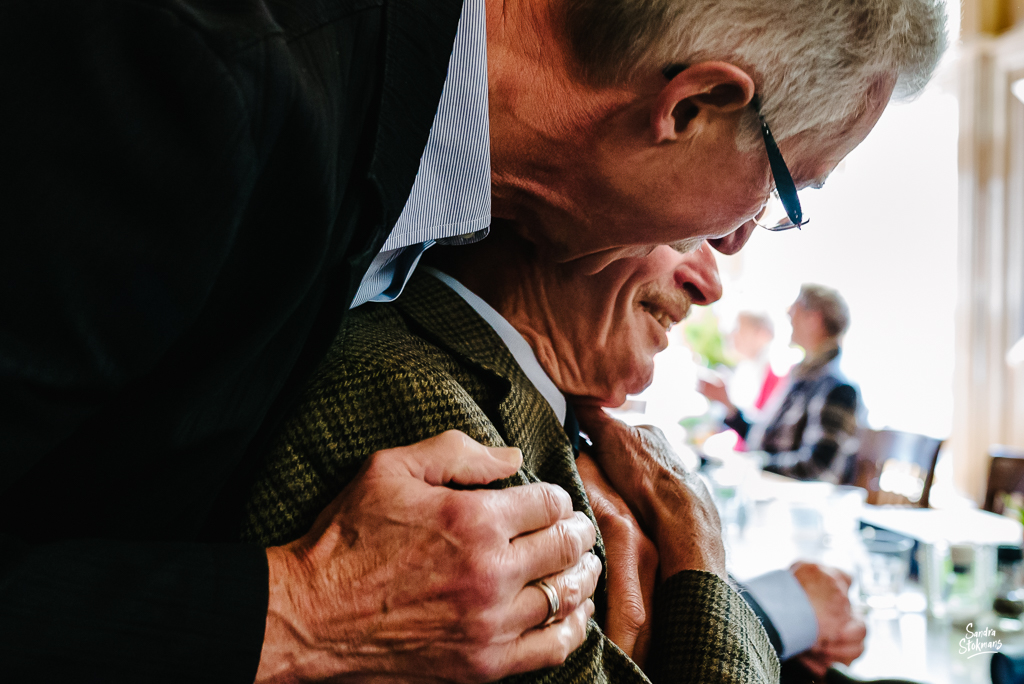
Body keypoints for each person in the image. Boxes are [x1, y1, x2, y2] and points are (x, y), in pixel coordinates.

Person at [1, 0, 944, 679]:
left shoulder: (411, 196)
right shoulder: (194, 68)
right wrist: (304, 610)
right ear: (692, 104)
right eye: (787, 196)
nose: (732, 246)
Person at [243, 232, 864, 681]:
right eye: (689, 232)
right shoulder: (407, 400)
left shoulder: (521, 398)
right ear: (577, 203)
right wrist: (702, 545)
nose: (709, 283)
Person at [699, 285, 861, 483]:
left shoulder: (837, 389)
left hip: (797, 505)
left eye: (797, 307)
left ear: (814, 319)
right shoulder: (800, 378)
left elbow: (818, 468)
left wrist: (750, 464)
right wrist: (729, 407)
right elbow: (763, 440)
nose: (789, 312)